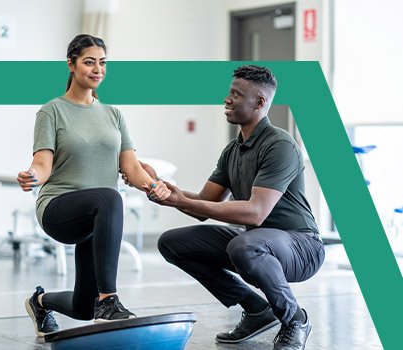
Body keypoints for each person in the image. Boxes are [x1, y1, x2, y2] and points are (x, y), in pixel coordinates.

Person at [145, 65, 325, 350]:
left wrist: (184, 200)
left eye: (236, 95)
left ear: (260, 103)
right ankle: (256, 310)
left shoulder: (280, 145)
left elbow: (256, 212)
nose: (227, 100)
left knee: (245, 245)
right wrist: (165, 191)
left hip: (301, 246)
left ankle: (294, 320)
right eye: (229, 94)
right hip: (255, 241)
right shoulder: (233, 150)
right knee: (172, 243)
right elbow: (205, 205)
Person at [17, 34, 170, 337]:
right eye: (89, 62)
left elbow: (131, 167)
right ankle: (109, 300)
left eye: (102, 63)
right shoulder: (52, 111)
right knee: (111, 198)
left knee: (82, 308)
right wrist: (32, 175)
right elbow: (43, 164)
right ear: (71, 65)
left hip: (96, 215)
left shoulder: (113, 114)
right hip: (59, 208)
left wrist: (155, 186)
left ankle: (40, 301)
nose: (98, 69)